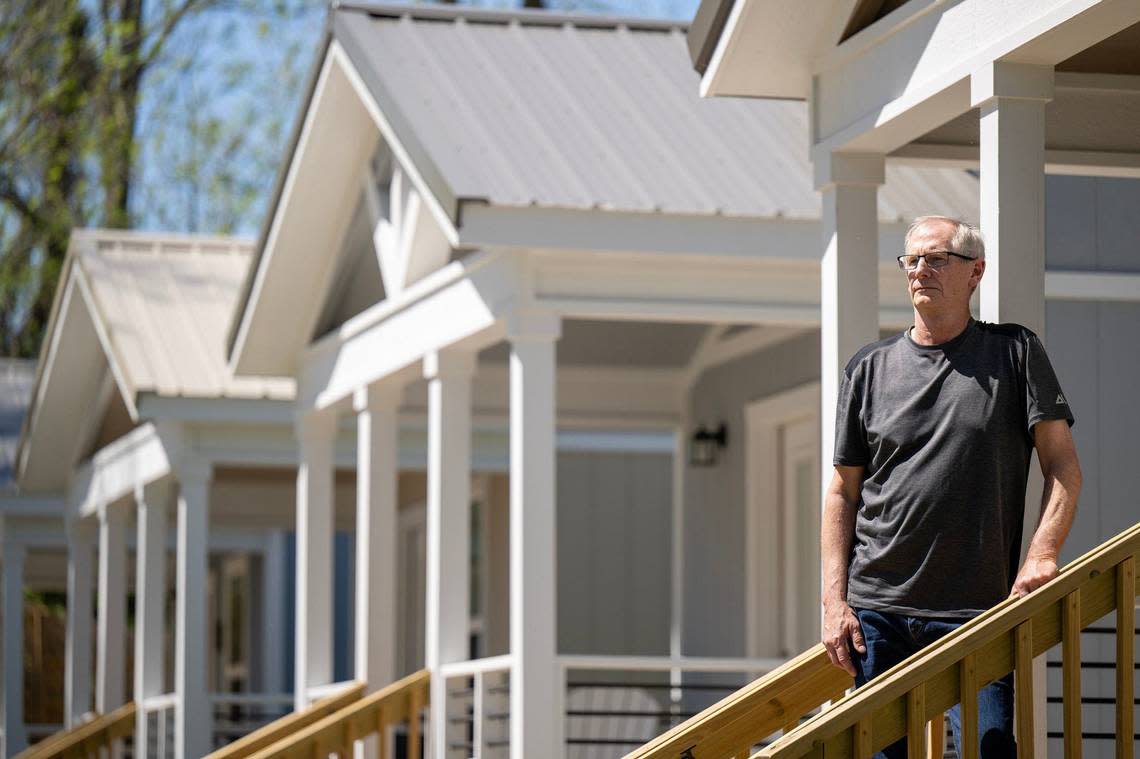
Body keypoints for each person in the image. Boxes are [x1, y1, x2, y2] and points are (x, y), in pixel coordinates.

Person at [821, 215, 1082, 759]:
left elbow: (1061, 465)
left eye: (937, 259)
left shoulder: (1013, 354)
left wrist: (1043, 553)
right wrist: (833, 601)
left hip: (977, 609)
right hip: (878, 610)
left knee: (988, 749)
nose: (921, 271)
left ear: (975, 272)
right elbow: (842, 493)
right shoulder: (867, 368)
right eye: (912, 260)